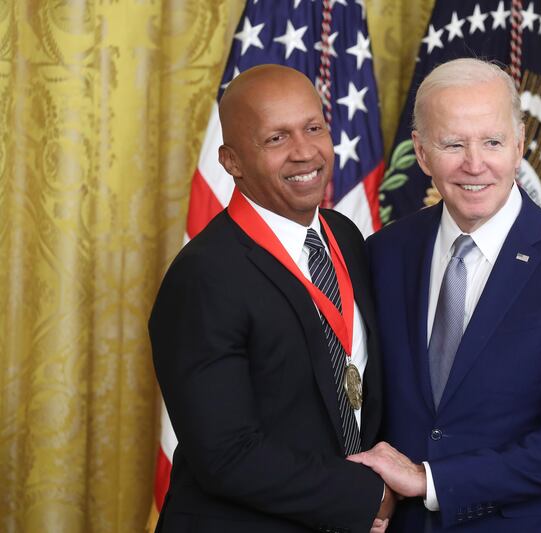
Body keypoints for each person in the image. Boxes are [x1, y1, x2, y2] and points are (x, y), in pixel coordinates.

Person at [350, 58, 541, 532]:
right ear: (420, 152)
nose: (474, 164)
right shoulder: (383, 254)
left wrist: (430, 480)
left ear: (519, 146)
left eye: (492, 142)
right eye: (453, 143)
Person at [150, 64, 392, 533]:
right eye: (276, 139)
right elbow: (226, 453)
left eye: (313, 128)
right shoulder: (204, 276)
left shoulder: (344, 236)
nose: (305, 152)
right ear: (232, 162)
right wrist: (366, 496)